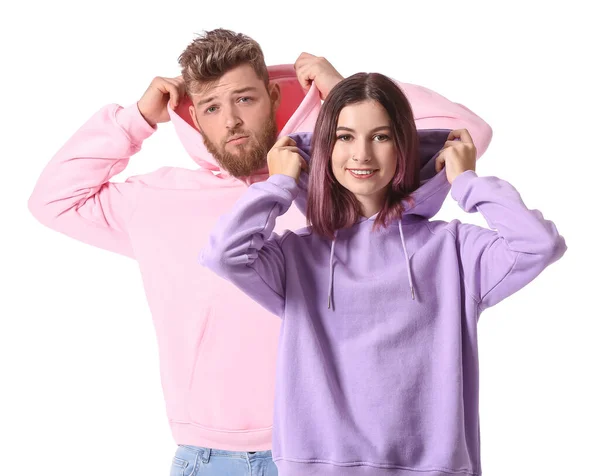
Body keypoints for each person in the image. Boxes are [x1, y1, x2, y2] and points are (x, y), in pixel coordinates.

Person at [28, 28, 493, 474]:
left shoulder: (337, 182)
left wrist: (345, 93)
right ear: (191, 116)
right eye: (210, 107)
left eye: (244, 99)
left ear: (273, 96)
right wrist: (136, 118)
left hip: (325, 449)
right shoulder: (155, 200)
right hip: (208, 456)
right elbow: (53, 200)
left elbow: (466, 134)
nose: (230, 120)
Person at [200, 72, 566, 476]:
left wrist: (466, 182)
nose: (361, 155)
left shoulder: (455, 250)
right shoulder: (294, 256)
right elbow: (224, 253)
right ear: (324, 148)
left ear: (403, 147)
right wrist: (281, 183)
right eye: (344, 137)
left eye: (381, 136)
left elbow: (538, 245)